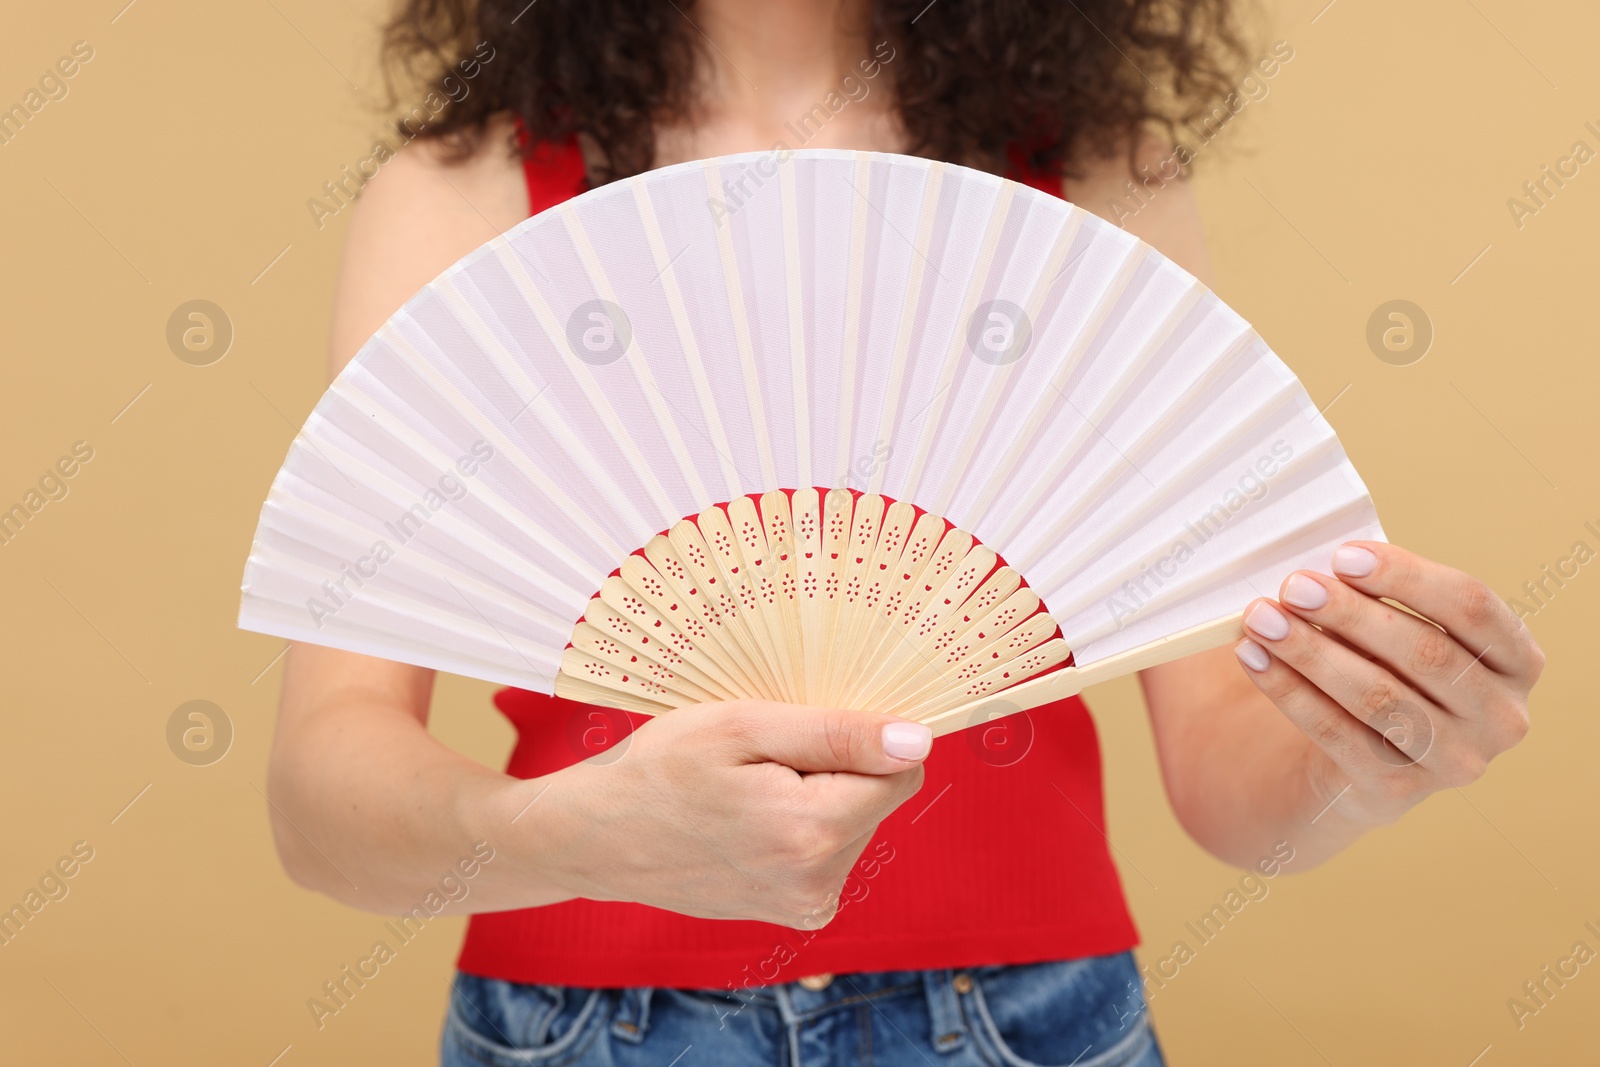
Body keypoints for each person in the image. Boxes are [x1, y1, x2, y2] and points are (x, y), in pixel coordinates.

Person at [265, 2, 1544, 1063]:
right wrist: (573, 835)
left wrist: (1362, 751)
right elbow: (321, 796)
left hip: (1028, 1018)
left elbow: (1227, 775)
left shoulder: (1094, 173)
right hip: (581, 1025)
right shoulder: (465, 196)